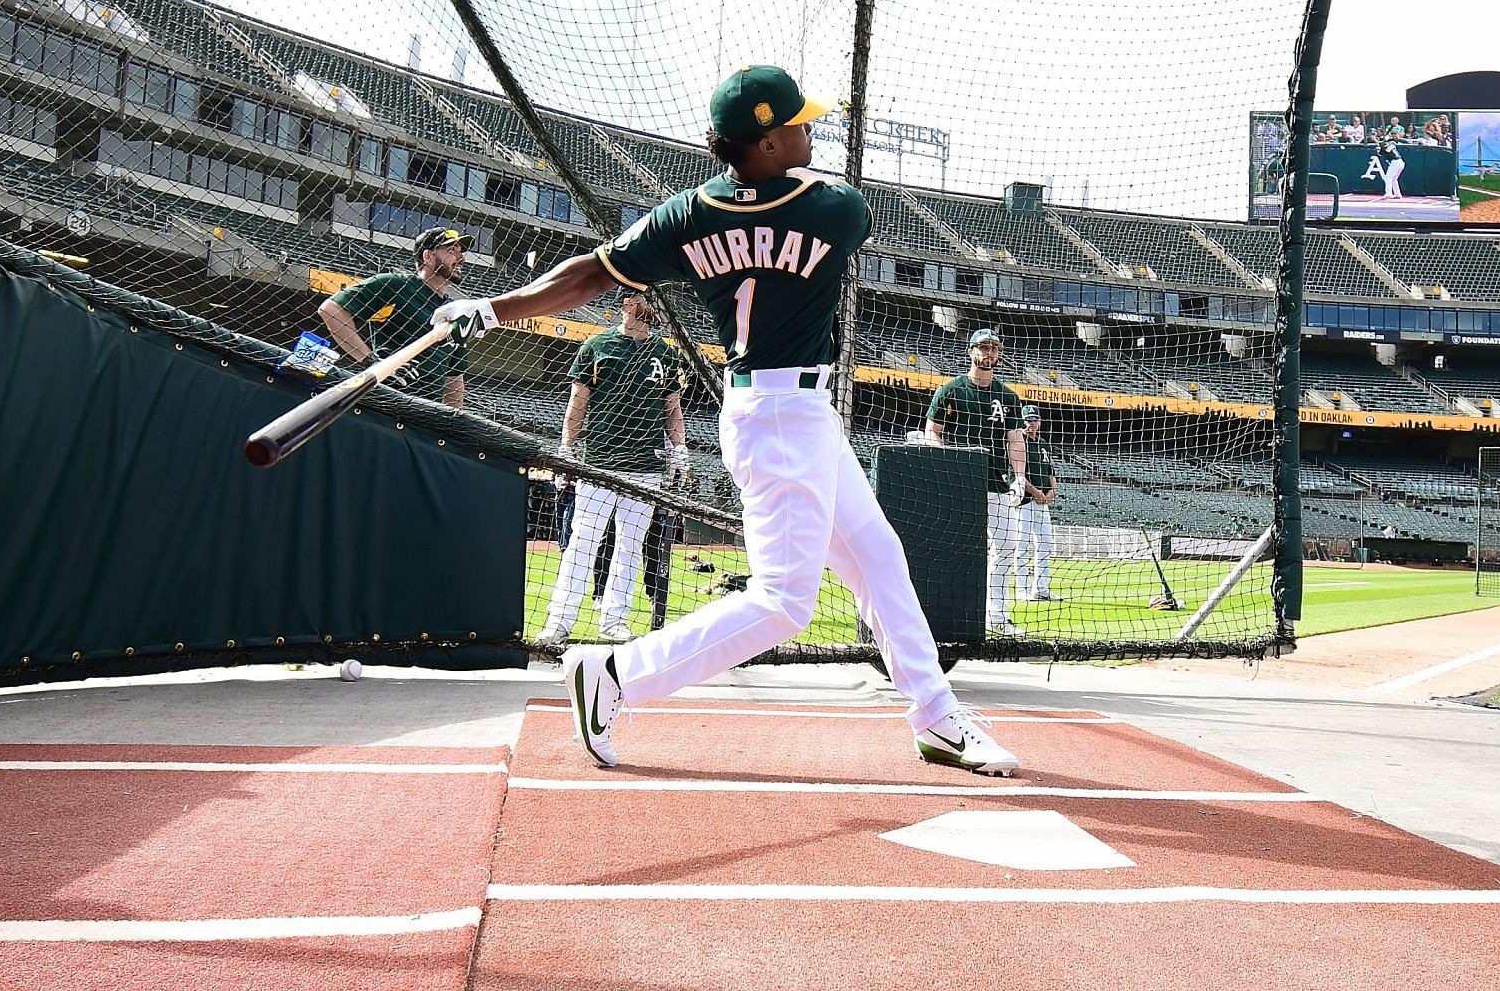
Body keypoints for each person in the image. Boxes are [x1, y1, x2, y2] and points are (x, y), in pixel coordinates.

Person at [432, 64, 1016, 778]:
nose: (810, 129)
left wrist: (491, 308)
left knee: (877, 555)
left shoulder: (687, 214)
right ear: (764, 143)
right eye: (796, 123)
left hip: (783, 411)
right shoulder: (834, 205)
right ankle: (616, 675)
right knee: (782, 603)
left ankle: (935, 714)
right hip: (782, 416)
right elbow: (822, 213)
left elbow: (588, 272)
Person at [533, 287, 691, 649]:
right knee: (581, 545)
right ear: (629, 302)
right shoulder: (596, 347)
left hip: (646, 465)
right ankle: (559, 622)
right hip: (599, 463)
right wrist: (567, 449)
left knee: (630, 548)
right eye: (649, 298)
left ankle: (615, 621)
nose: (657, 305)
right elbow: (578, 402)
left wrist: (679, 450)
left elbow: (673, 408)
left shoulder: (666, 354)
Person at [924, 329, 1029, 634]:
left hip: (995, 482)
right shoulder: (951, 390)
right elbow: (933, 431)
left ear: (999, 355)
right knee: (956, 549)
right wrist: (944, 464)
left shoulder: (1008, 395)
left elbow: (1014, 438)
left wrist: (1019, 477)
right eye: (983, 348)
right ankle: (945, 612)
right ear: (970, 352)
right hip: (959, 484)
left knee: (1008, 546)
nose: (988, 354)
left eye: (994, 349)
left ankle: (995, 614)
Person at [318, 226, 473, 407]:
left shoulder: (454, 310)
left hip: (426, 416)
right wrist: (371, 361)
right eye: (451, 250)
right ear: (428, 256)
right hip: (385, 403)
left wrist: (451, 424)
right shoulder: (395, 285)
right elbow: (331, 309)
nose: (461, 258)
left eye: (461, 251)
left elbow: (454, 376)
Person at [1012, 405, 1059, 601]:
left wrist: (1052, 491)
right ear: (1023, 421)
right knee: (1022, 544)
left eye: (1035, 420)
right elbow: (1017, 474)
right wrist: (1037, 492)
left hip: (1042, 502)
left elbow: (1050, 471)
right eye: (1029, 420)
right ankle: (1022, 589)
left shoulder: (1042, 443)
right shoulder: (1017, 441)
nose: (1032, 423)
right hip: (1024, 500)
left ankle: (1041, 587)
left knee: (1046, 542)